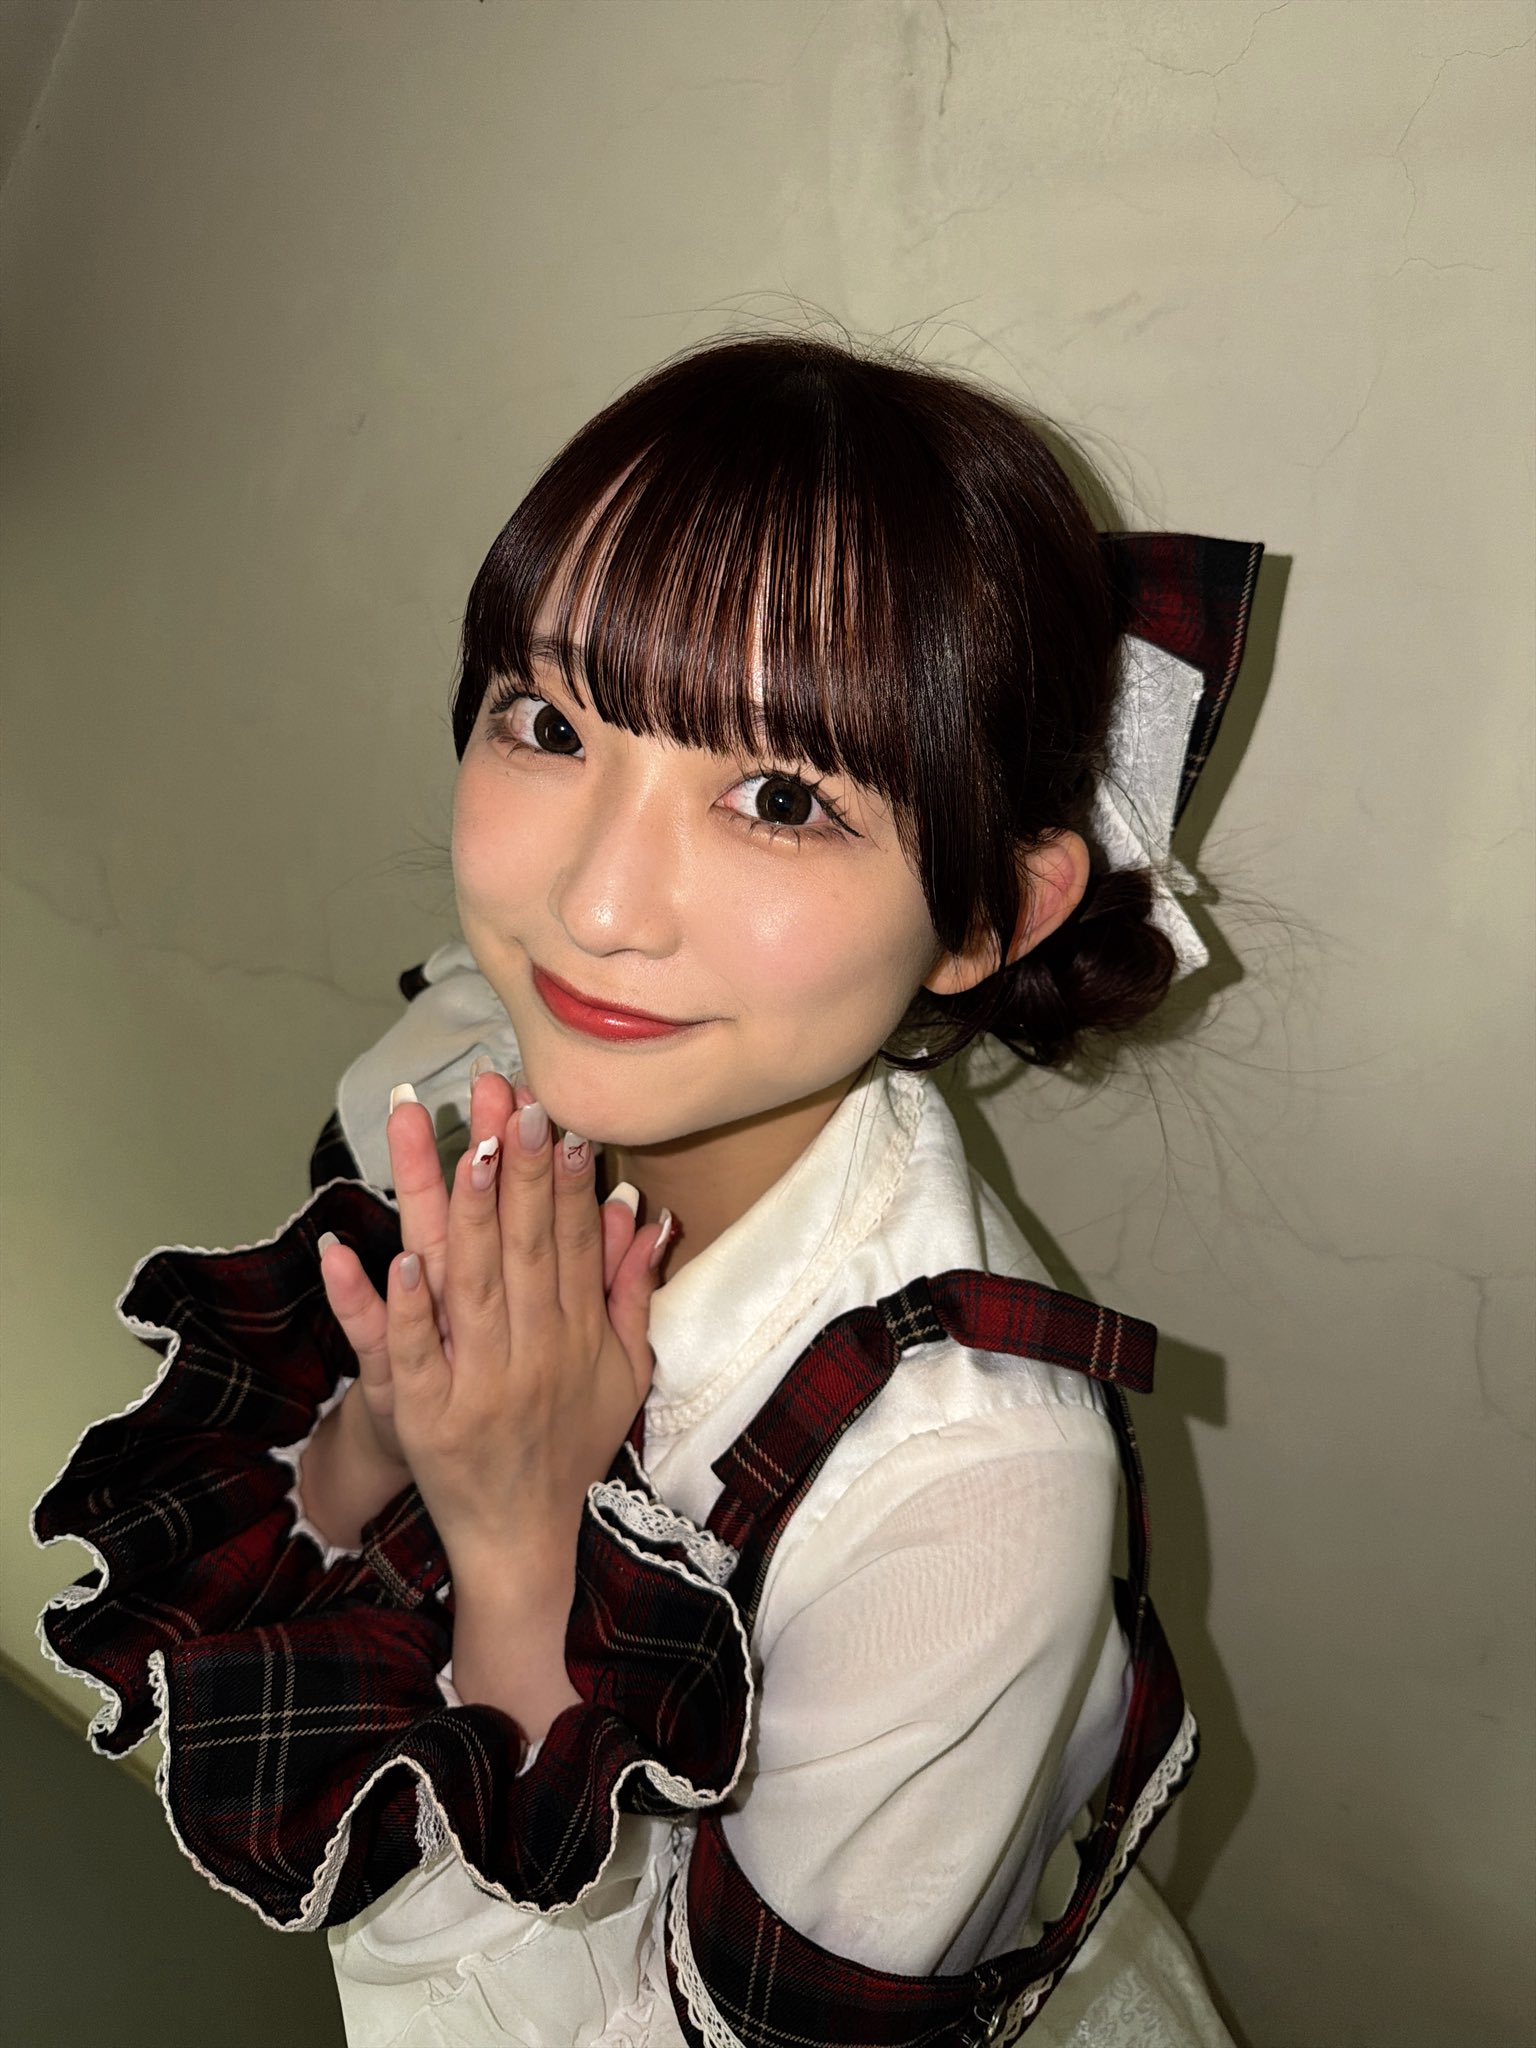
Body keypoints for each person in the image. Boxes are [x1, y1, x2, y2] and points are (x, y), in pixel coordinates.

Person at [33, 332, 1262, 2046]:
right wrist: (397, 1430)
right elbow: (295, 1532)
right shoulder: (465, 1064)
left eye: (778, 797)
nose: (597, 905)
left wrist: (519, 1555)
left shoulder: (967, 1501)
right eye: (552, 722)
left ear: (992, 914)